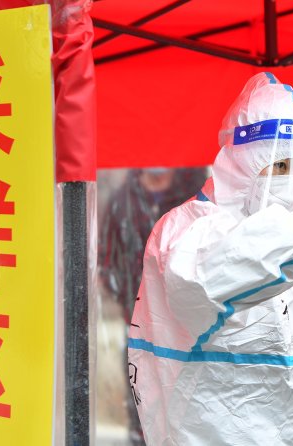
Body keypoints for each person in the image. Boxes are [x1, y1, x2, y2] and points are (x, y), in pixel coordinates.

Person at [127, 72, 293, 445]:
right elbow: (211, 278)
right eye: (280, 166)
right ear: (242, 162)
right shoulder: (187, 231)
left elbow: (278, 347)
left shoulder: (289, 244)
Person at [99, 166, 208, 446]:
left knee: (191, 418)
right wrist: (135, 303)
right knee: (143, 415)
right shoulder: (123, 200)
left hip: (190, 335)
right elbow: (107, 262)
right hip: (138, 333)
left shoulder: (196, 198)